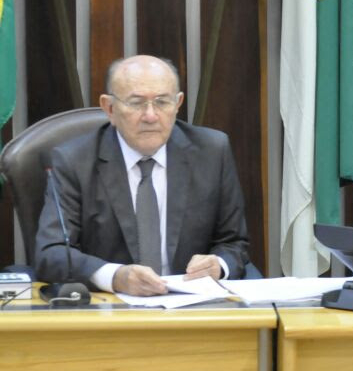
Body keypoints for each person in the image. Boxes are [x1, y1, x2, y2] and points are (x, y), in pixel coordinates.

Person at [35, 55, 250, 296]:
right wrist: (115, 277)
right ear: (109, 108)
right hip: (110, 307)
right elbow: (51, 253)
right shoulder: (74, 161)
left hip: (191, 306)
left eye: (162, 102)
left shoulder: (211, 152)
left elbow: (234, 243)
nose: (150, 115)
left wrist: (218, 265)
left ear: (178, 103)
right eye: (136, 103)